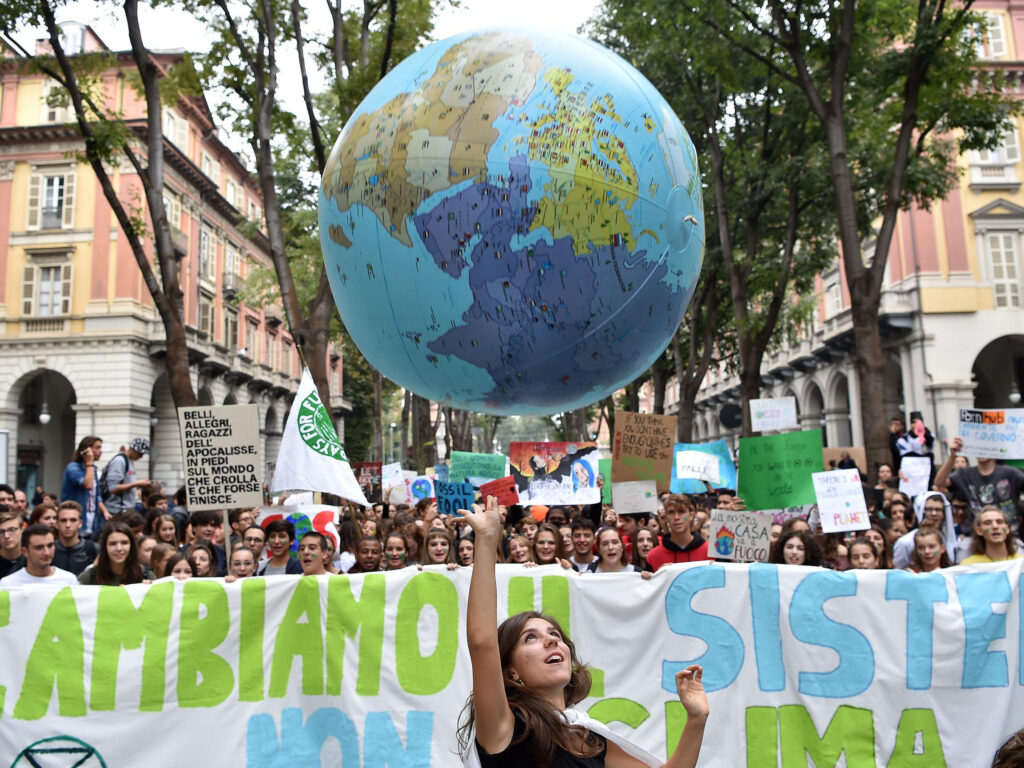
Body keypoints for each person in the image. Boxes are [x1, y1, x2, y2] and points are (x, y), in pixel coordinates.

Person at [459, 496, 708, 768]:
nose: (552, 639)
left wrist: (696, 720)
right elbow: (482, 642)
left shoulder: (592, 739)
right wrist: (486, 539)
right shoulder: (508, 728)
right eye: (531, 637)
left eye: (554, 634)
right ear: (511, 672)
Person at [935, 436, 1024, 530]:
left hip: (1008, 533)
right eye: (978, 446)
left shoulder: (1010, 473)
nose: (981, 450)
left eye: (986, 446)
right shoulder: (965, 474)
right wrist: (952, 457)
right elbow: (939, 483)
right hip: (976, 534)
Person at [892, 491, 958, 569]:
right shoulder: (905, 542)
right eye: (929, 509)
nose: (934, 513)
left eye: (938, 510)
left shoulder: (949, 539)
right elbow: (898, 571)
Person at [646, 495, 711, 571]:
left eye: (681, 511)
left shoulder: (709, 552)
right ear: (665, 517)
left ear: (691, 515)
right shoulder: (653, 556)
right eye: (671, 512)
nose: (676, 517)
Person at [0, 524, 78, 586]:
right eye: (39, 547)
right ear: (25, 551)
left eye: (50, 545)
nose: (46, 552)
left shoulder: (69, 580)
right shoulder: (8, 584)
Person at [61, 435, 106, 538]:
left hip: (92, 518)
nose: (101, 451)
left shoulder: (93, 469)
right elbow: (88, 485)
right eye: (97, 447)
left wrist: (105, 512)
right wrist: (89, 461)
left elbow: (97, 495)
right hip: (78, 517)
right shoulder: (73, 467)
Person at [78, 521, 144, 585]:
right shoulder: (89, 576)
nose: (119, 548)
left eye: (124, 543)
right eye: (113, 544)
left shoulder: (144, 574)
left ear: (131, 545)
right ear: (105, 547)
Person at [102, 438, 152, 515]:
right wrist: (136, 484)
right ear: (133, 450)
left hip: (125, 509)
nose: (141, 456)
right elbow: (112, 488)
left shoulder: (129, 461)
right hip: (117, 509)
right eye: (140, 453)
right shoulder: (119, 461)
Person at [52, 502, 98, 576]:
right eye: (63, 520)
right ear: (56, 524)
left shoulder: (93, 549)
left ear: (80, 523)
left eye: (73, 520)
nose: (68, 525)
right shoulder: (49, 550)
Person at [0, 511, 26, 579]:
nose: (6, 536)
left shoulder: (32, 562)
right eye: (1, 532)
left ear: (22, 529)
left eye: (11, 530)